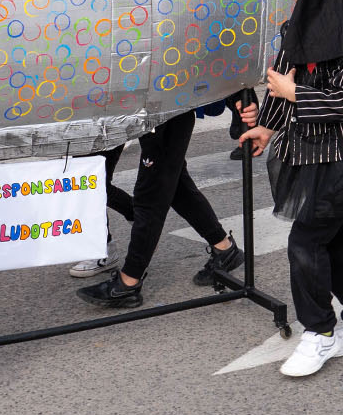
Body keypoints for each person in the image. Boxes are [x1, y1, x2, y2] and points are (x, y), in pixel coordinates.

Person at [236, 0, 343, 379]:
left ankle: (319, 332)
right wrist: (267, 125)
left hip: (340, 156)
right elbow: (284, 81)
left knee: (305, 241)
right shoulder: (297, 27)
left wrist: (293, 92)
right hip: (306, 151)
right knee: (334, 238)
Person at [72, 108, 241, 308]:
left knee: (149, 195)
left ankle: (128, 283)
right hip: (159, 110)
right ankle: (224, 248)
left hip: (165, 109)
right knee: (177, 186)